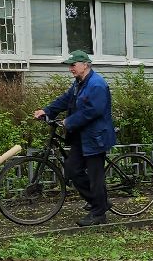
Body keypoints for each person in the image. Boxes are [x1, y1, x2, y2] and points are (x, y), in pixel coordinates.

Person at [34, 50, 117, 226]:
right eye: (70, 65)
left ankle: (98, 214)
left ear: (85, 65)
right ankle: (100, 203)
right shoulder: (79, 83)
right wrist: (47, 111)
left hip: (96, 137)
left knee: (95, 177)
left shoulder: (97, 84)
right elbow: (65, 100)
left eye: (73, 65)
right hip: (82, 137)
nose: (70, 68)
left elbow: (93, 111)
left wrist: (69, 121)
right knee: (72, 170)